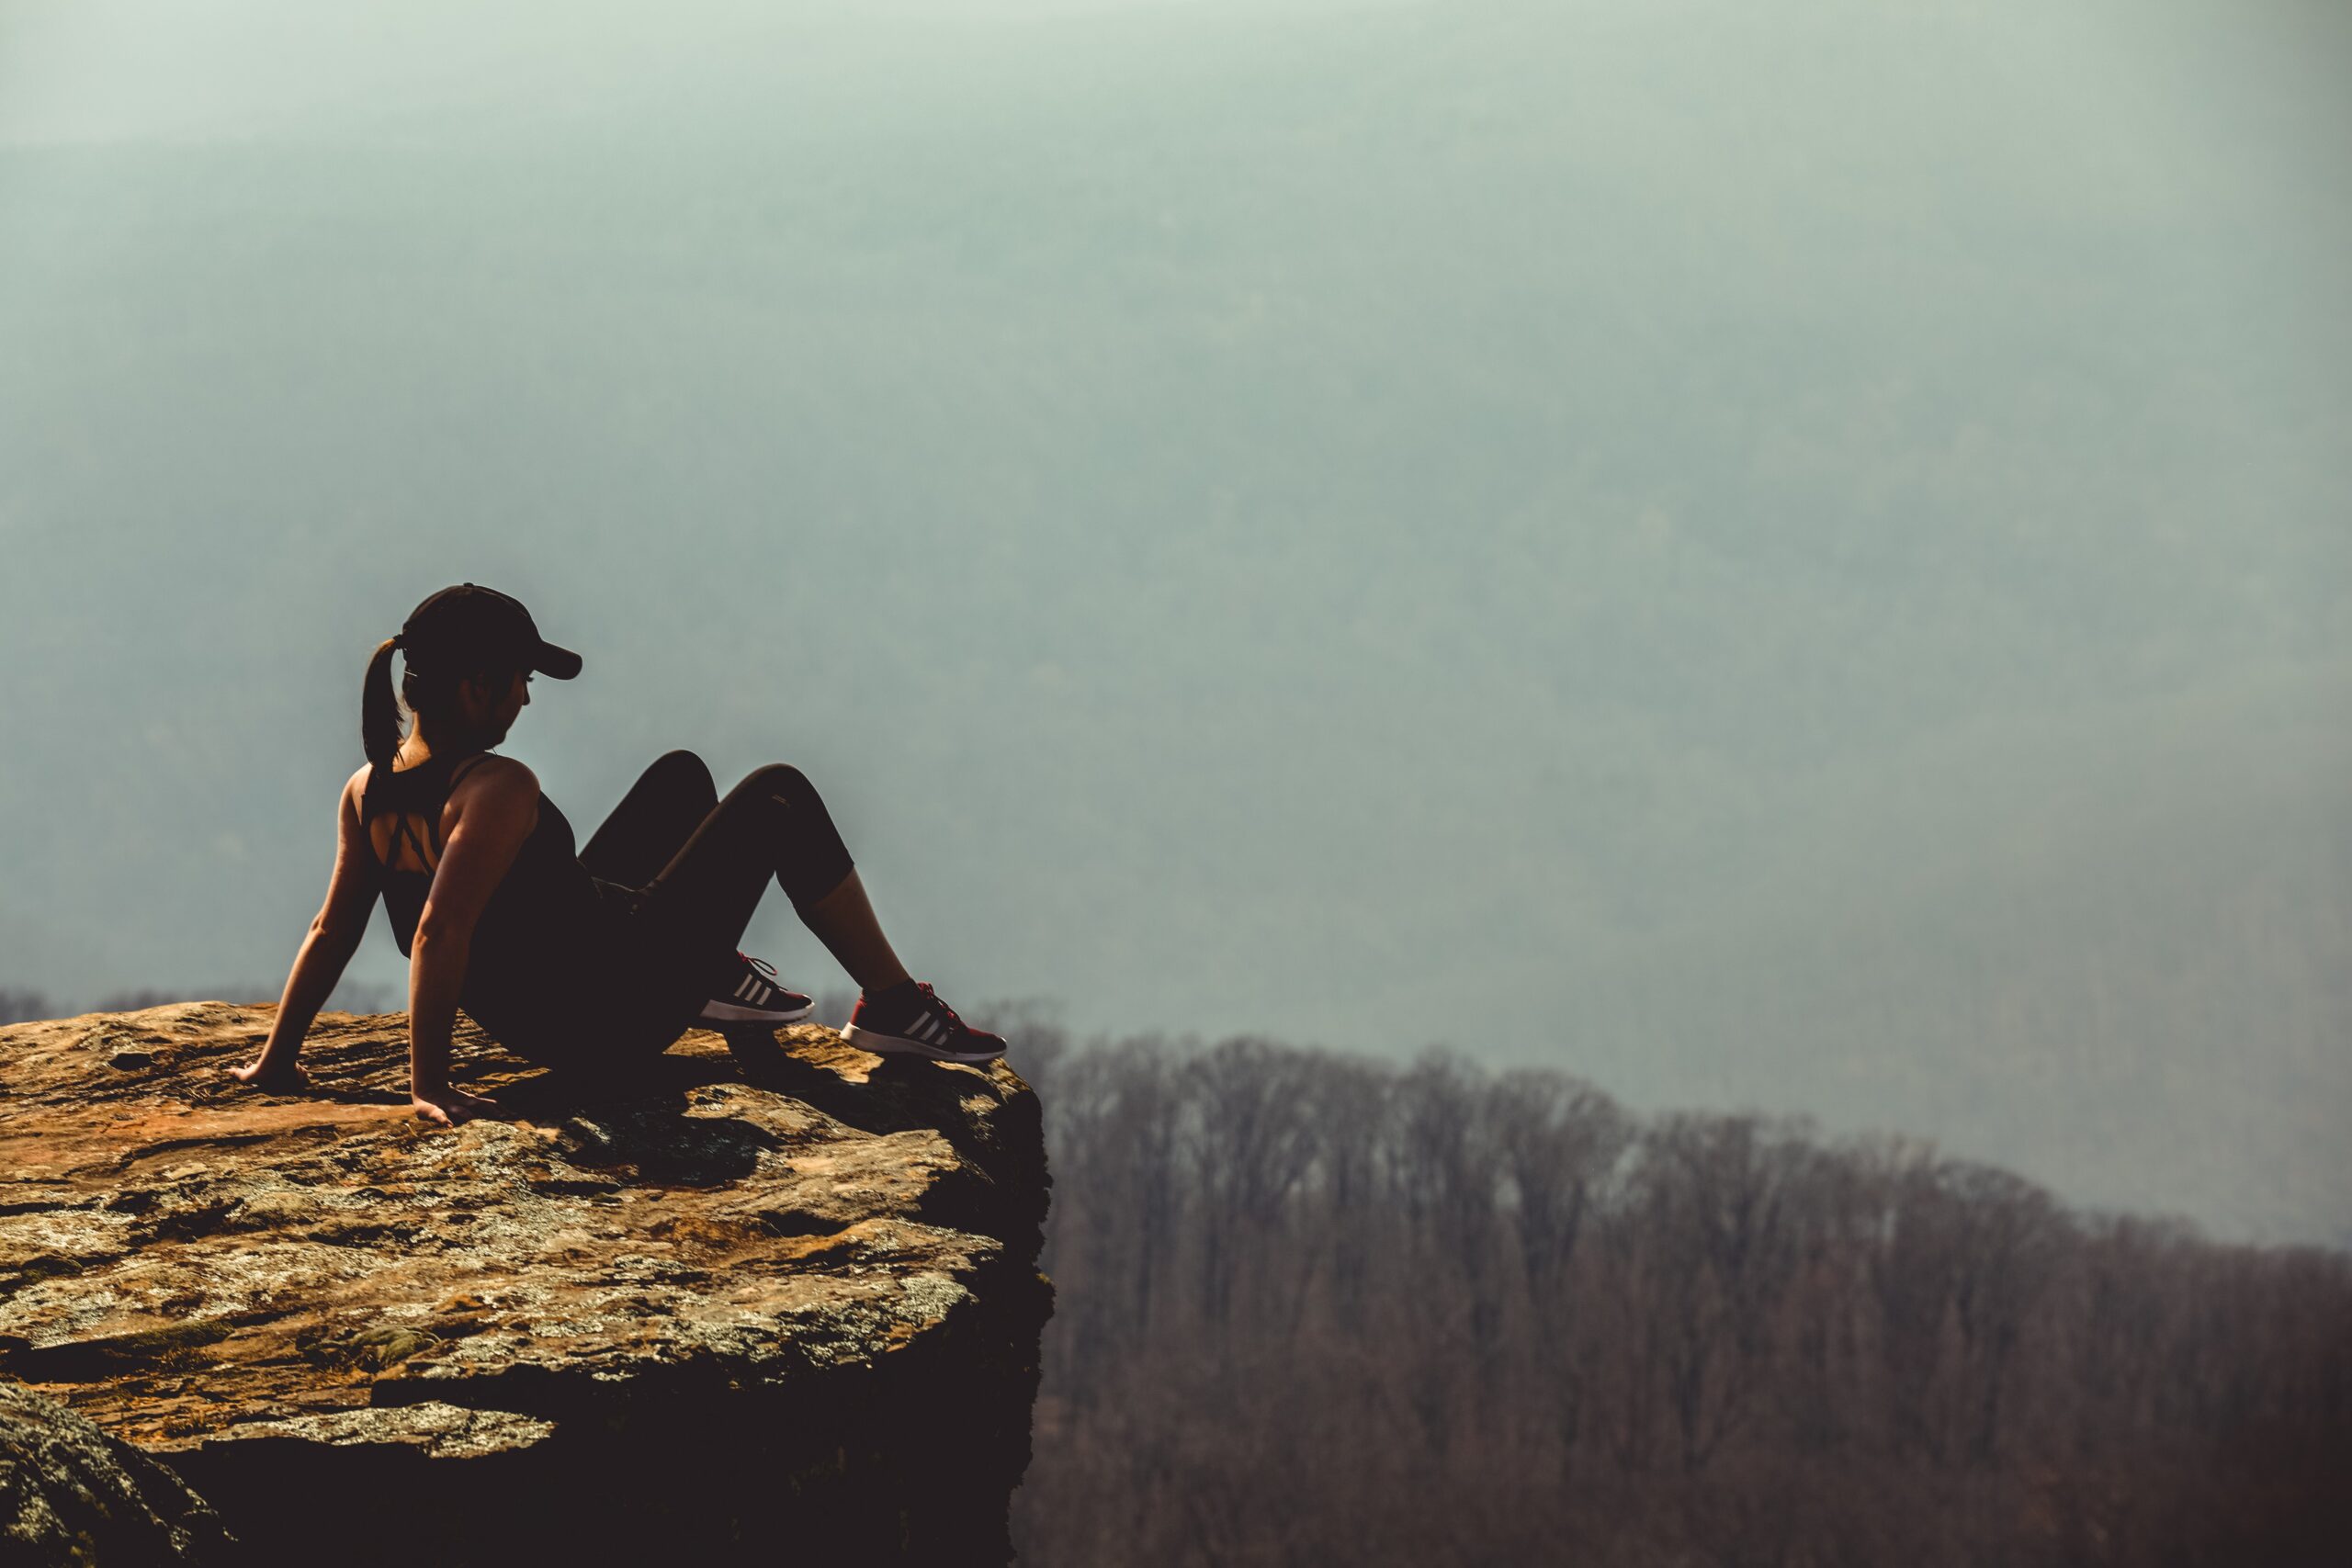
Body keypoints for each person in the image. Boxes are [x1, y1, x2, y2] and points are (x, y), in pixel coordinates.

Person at [231, 582, 1005, 1124]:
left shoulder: (369, 789)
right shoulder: (494, 787)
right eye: (519, 681)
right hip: (611, 1014)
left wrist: (277, 1059)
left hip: (553, 1006)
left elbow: (331, 930)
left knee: (681, 779)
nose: (526, 699)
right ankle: (893, 1007)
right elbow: (440, 931)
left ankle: (711, 972)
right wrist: (428, 1085)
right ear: (474, 689)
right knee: (778, 794)